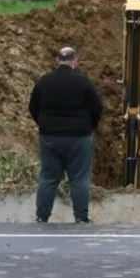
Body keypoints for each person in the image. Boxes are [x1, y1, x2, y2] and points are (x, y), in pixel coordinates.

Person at [29, 47, 104, 223]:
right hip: (79, 137)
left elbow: (33, 107)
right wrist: (89, 126)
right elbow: (97, 107)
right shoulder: (83, 82)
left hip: (50, 137)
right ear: (75, 61)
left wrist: (45, 124)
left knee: (48, 177)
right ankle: (81, 216)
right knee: (79, 178)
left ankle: (42, 216)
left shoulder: (44, 82)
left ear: (57, 61)